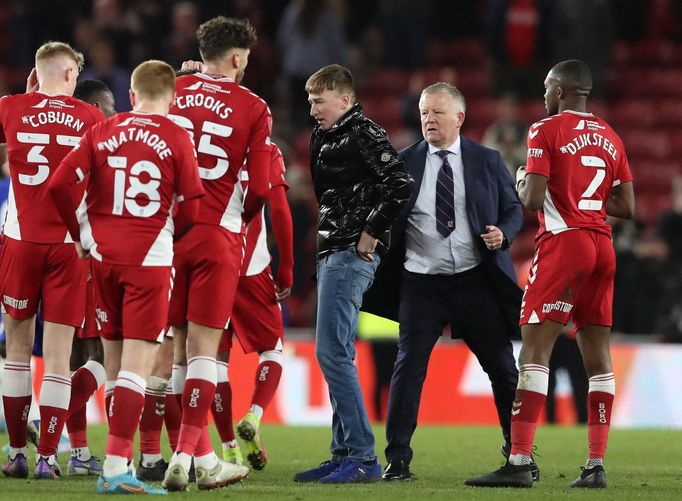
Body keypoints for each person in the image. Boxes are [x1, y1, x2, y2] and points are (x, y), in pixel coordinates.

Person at [465, 59, 635, 489]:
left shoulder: (545, 129)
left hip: (565, 244)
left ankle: (519, 460)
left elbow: (533, 199)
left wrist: (523, 176)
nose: (542, 95)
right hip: (603, 246)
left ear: (561, 91)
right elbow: (628, 208)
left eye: (546, 87)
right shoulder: (612, 136)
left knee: (534, 351)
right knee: (598, 358)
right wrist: (585, 200)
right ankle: (595, 465)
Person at [48, 59, 204, 494]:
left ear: (133, 96)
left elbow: (59, 186)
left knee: (114, 370)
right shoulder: (177, 135)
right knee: (138, 368)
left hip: (102, 259)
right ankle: (116, 465)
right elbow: (193, 204)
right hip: (149, 260)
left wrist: (81, 234)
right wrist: (171, 232)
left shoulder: (102, 129)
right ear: (171, 99)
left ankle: (119, 463)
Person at [362, 82, 528, 483]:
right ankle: (398, 459)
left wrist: (503, 234)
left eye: (437, 112)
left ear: (459, 117)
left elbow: (513, 208)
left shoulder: (486, 160)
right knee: (408, 369)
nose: (428, 119)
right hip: (422, 284)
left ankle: (518, 454)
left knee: (504, 370)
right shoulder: (402, 162)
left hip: (476, 280)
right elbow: (382, 210)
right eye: (424, 112)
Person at [163, 16, 270, 491]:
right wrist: (240, 222)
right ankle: (188, 457)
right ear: (236, 57)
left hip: (165, 234)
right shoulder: (254, 106)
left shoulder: (171, 89)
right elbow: (262, 187)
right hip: (217, 234)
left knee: (174, 353)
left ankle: (196, 457)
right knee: (206, 352)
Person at [293, 64, 412, 484]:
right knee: (336, 352)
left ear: (345, 100)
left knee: (331, 353)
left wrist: (372, 232)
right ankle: (342, 452)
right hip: (335, 248)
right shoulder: (327, 135)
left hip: (349, 250)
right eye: (309, 101)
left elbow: (400, 182)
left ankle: (362, 456)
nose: (313, 109)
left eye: (319, 101)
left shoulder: (362, 131)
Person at [0, 42, 106, 479]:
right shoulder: (92, 118)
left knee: (17, 354)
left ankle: (15, 454)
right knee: (59, 359)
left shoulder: (10, 107)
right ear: (69, 75)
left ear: (36, 72)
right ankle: (47, 457)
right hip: (68, 246)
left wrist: (28, 97)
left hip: (20, 241)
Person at [211, 141, 294, 470]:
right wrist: (286, 268)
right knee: (272, 350)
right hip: (250, 268)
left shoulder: (194, 136)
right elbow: (281, 209)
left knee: (212, 359)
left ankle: (228, 448)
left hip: (206, 265)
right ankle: (254, 417)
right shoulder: (264, 148)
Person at [64, 78, 116, 477]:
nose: (114, 114)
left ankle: (79, 454)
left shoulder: (63, 143)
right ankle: (48, 418)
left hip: (57, 258)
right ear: (93, 107)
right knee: (101, 356)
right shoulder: (98, 147)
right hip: (90, 259)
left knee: (75, 359)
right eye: (109, 106)